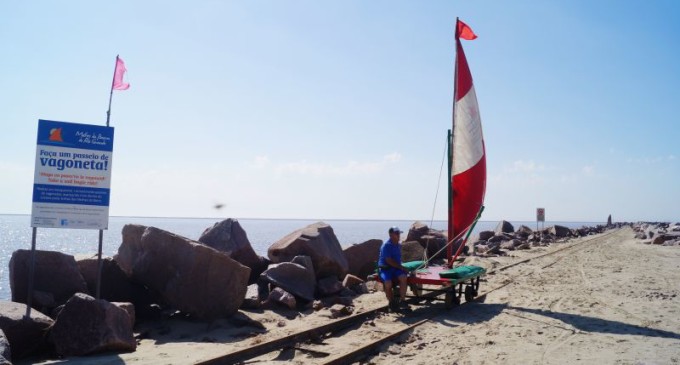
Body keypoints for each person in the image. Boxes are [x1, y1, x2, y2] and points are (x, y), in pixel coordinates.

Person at [378, 226, 411, 312]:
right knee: (388, 283)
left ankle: (402, 300)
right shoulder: (386, 245)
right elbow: (389, 261)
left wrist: (402, 267)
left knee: (403, 277)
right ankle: (391, 302)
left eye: (399, 233)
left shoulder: (398, 245)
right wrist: (402, 267)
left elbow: (398, 259)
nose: (399, 235)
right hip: (386, 268)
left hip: (395, 268)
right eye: (397, 233)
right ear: (391, 235)